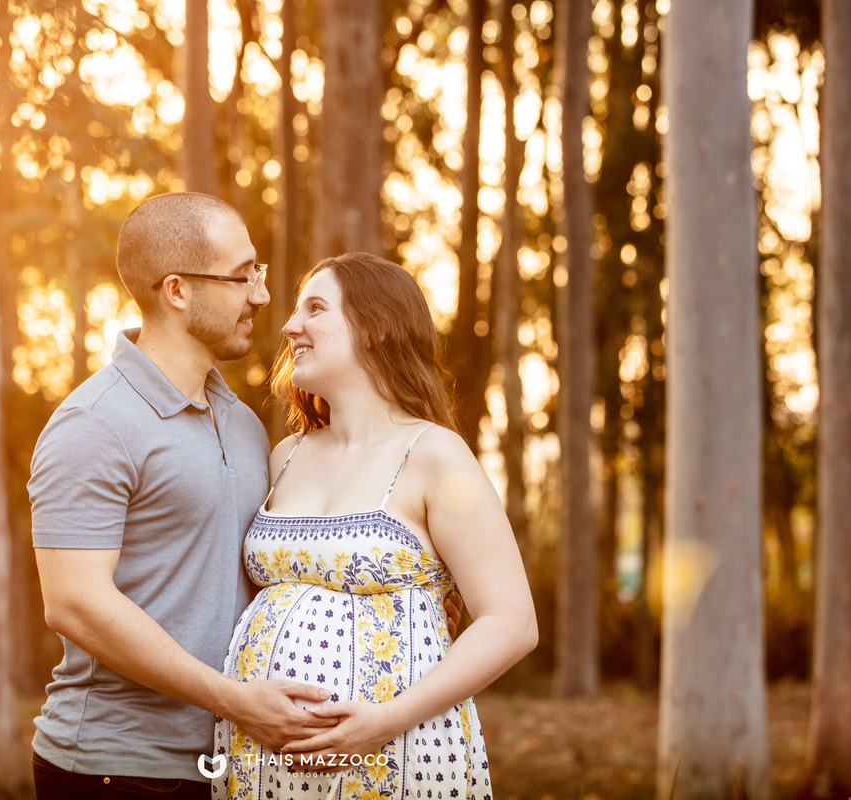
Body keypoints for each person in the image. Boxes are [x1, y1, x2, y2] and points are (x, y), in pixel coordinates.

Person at [27, 192, 339, 800]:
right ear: (177, 290)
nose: (261, 295)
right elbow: (73, 602)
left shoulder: (243, 422)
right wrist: (235, 700)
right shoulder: (93, 423)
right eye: (241, 276)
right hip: (113, 769)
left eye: (259, 272)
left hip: (227, 762)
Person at [212, 252, 538, 800]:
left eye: (315, 308)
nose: (291, 326)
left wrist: (382, 723)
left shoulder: (434, 454)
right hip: (260, 766)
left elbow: (511, 622)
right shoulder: (285, 455)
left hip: (399, 752)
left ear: (375, 329)